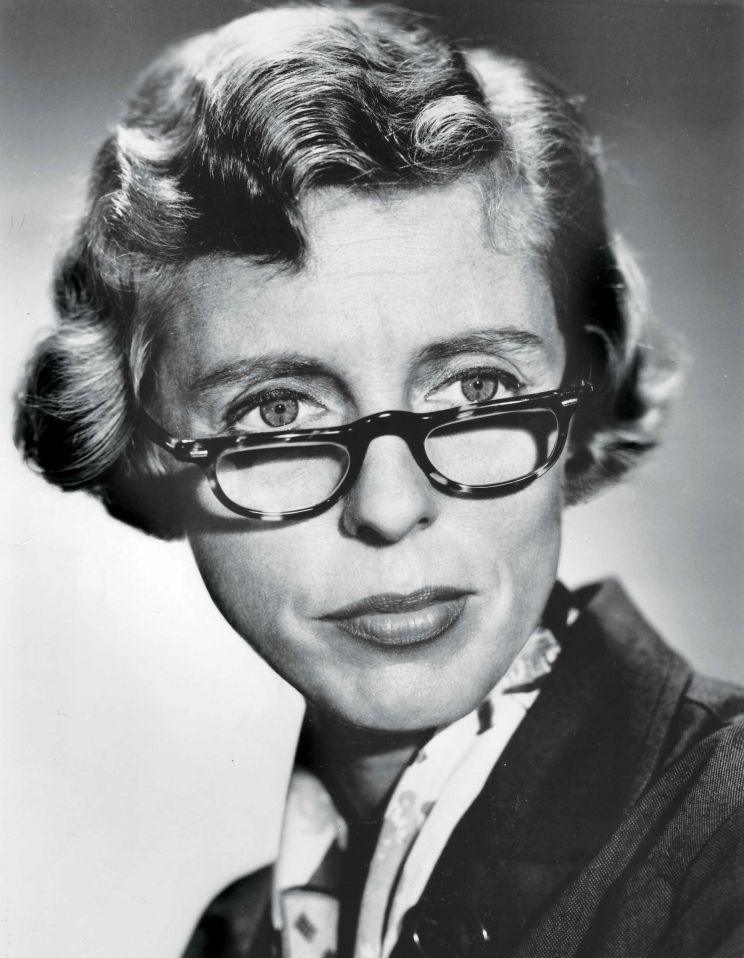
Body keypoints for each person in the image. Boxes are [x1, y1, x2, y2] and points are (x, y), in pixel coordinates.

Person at [14, 5, 744, 957]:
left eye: (477, 389)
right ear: (144, 451)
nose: (391, 508)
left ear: (584, 399)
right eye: (279, 412)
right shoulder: (238, 938)